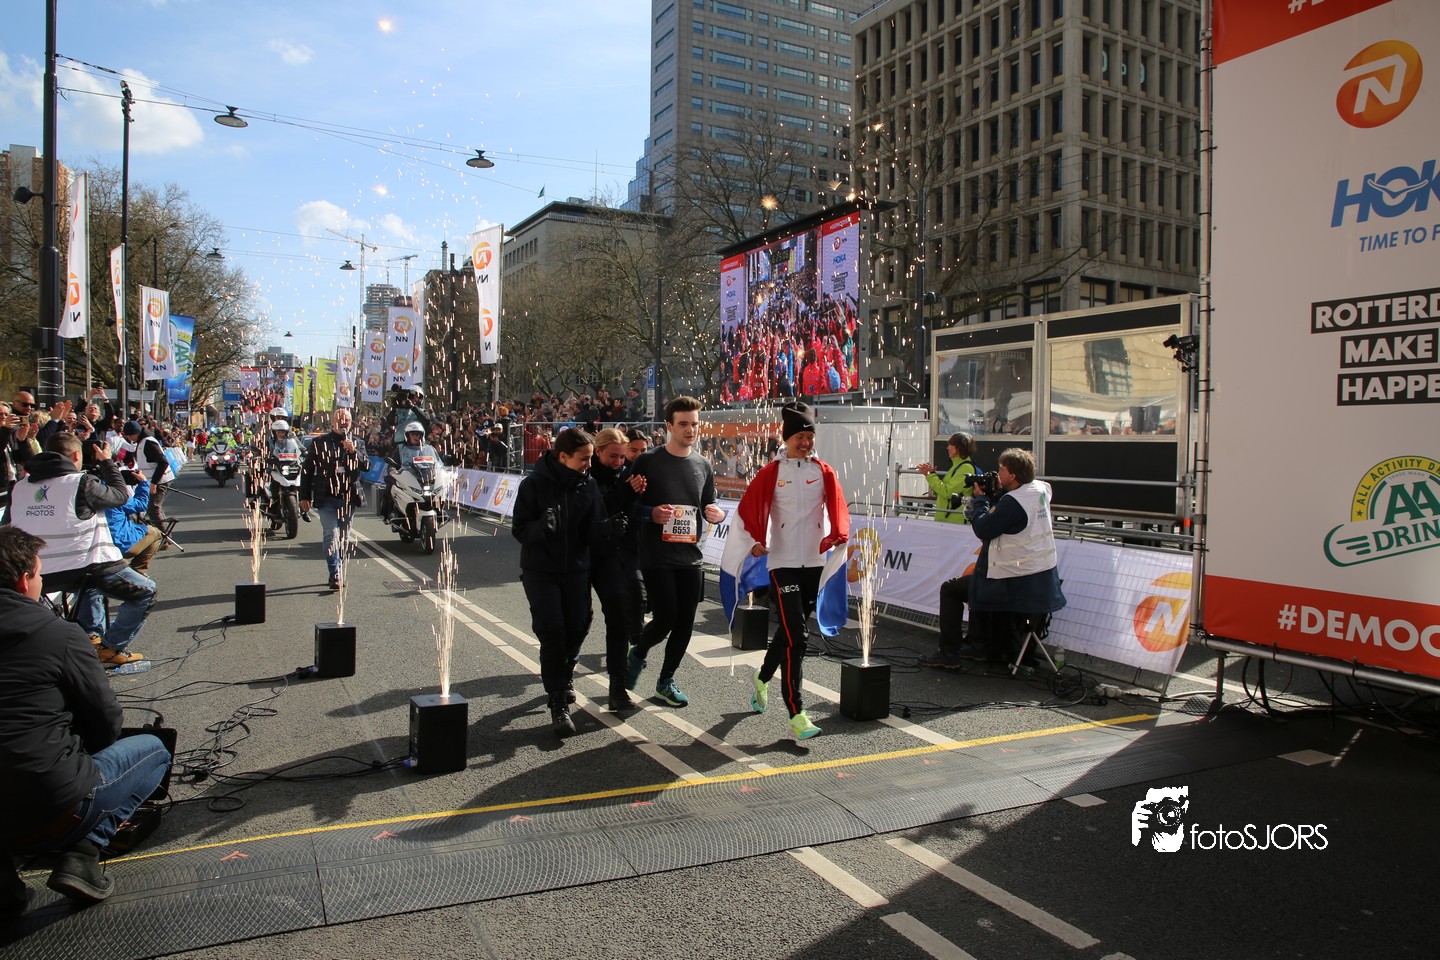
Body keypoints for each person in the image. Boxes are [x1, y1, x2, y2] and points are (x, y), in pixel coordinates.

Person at [0, 527, 171, 906]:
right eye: (40, 574)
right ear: (24, 580)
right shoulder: (58, 634)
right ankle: (83, 854)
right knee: (154, 750)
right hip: (53, 809)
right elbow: (105, 723)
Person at [726, 402, 850, 740]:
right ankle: (797, 712)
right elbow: (747, 509)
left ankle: (762, 677)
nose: (806, 442)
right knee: (798, 636)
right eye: (799, 437)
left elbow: (838, 507)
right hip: (782, 564)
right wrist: (753, 541)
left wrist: (837, 535)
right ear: (787, 438)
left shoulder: (824, 471)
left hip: (814, 563)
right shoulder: (771, 472)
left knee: (789, 632)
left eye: (810, 436)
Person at [8, 433, 157, 667]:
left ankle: (91, 635)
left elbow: (9, 527)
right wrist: (107, 462)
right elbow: (119, 496)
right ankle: (111, 648)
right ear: (77, 455)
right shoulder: (82, 482)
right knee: (146, 591)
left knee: (90, 589)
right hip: (87, 567)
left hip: (37, 573)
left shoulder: (19, 487)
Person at [923, 448, 1066, 669]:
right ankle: (979, 646)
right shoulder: (1041, 489)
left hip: (1013, 579)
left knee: (951, 589)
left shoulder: (1013, 502)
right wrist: (998, 494)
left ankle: (948, 655)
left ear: (1014, 475)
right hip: (1039, 579)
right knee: (979, 578)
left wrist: (981, 500)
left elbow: (983, 528)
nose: (998, 474)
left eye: (1002, 470)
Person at [626, 397, 726, 707]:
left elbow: (709, 503)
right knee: (666, 617)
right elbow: (628, 504)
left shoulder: (703, 464)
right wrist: (650, 513)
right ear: (669, 426)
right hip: (656, 555)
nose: (690, 429)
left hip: (691, 555)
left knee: (685, 622)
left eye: (694, 424)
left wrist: (717, 514)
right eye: (683, 424)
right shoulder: (648, 461)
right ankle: (638, 652)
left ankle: (665, 681)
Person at [512, 428, 611, 736]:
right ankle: (557, 702)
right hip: (541, 571)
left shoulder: (588, 484)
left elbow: (594, 526)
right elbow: (519, 529)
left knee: (579, 625)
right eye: (584, 459)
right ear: (563, 456)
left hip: (576, 570)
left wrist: (608, 529)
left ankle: (566, 669)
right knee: (552, 631)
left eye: (591, 459)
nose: (589, 465)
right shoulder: (533, 485)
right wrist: (541, 527)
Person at [588, 428, 647, 712]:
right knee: (578, 621)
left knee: (619, 618)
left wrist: (638, 496)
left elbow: (633, 513)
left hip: (615, 556)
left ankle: (617, 687)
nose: (619, 462)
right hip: (584, 555)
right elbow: (597, 511)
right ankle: (564, 675)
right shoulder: (585, 473)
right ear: (598, 451)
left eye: (623, 457)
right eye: (613, 456)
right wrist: (626, 492)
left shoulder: (629, 475)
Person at [299, 408, 367, 590]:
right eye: (339, 419)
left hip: (348, 497)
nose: (343, 422)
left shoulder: (357, 442)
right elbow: (307, 470)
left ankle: (338, 566)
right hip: (326, 496)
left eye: (346, 419)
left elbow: (366, 466)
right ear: (332, 422)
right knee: (331, 534)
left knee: (343, 537)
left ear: (351, 422)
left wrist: (353, 451)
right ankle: (334, 572)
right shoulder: (319, 442)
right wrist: (304, 495)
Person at [120, 419, 175, 529]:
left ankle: (163, 535)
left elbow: (163, 462)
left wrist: (154, 483)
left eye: (129, 435)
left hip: (159, 480)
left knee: (153, 509)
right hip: (154, 479)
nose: (129, 438)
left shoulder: (148, 442)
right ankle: (163, 534)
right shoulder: (143, 441)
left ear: (135, 433)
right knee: (154, 508)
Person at [382, 422, 439, 522]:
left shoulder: (428, 449)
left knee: (440, 487)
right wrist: (392, 469)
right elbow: (392, 462)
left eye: (417, 434)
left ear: (421, 435)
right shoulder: (400, 448)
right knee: (390, 483)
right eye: (412, 434)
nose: (415, 437)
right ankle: (388, 512)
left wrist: (439, 468)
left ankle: (439, 509)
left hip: (423, 476)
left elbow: (437, 462)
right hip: (406, 476)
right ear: (407, 435)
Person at [917, 432, 977, 524]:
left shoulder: (966, 468)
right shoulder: (957, 466)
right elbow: (940, 492)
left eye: (950, 444)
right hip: (947, 521)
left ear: (958, 447)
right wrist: (931, 474)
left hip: (955, 523)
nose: (947, 447)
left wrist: (929, 475)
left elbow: (947, 492)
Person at [266, 419, 307, 529]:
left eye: (283, 431)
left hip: (290, 465)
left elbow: (301, 448)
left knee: (304, 482)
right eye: (278, 431)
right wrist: (264, 456)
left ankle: (304, 508)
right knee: (270, 482)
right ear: (274, 432)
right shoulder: (270, 441)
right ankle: (272, 505)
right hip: (275, 466)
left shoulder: (292, 439)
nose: (281, 433)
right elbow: (263, 450)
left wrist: (306, 452)